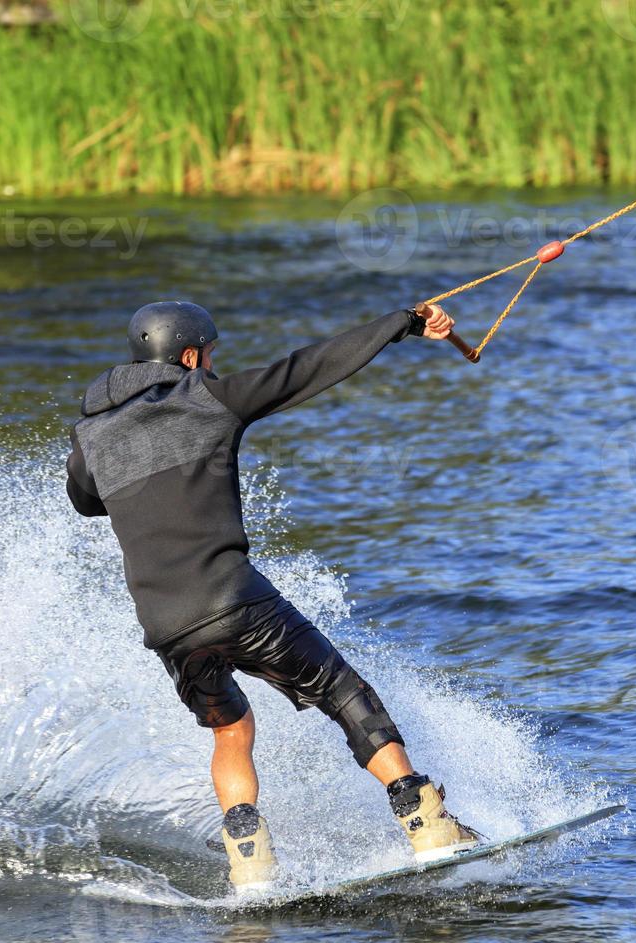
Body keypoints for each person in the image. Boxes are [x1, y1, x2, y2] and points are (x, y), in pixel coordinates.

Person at [65, 300, 482, 892]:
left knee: (230, 729)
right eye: (209, 354)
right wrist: (401, 322)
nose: (214, 364)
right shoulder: (206, 399)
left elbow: (83, 498)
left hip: (168, 627)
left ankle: (250, 862)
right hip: (235, 601)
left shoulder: (93, 435)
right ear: (188, 356)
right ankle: (427, 822)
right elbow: (308, 368)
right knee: (344, 694)